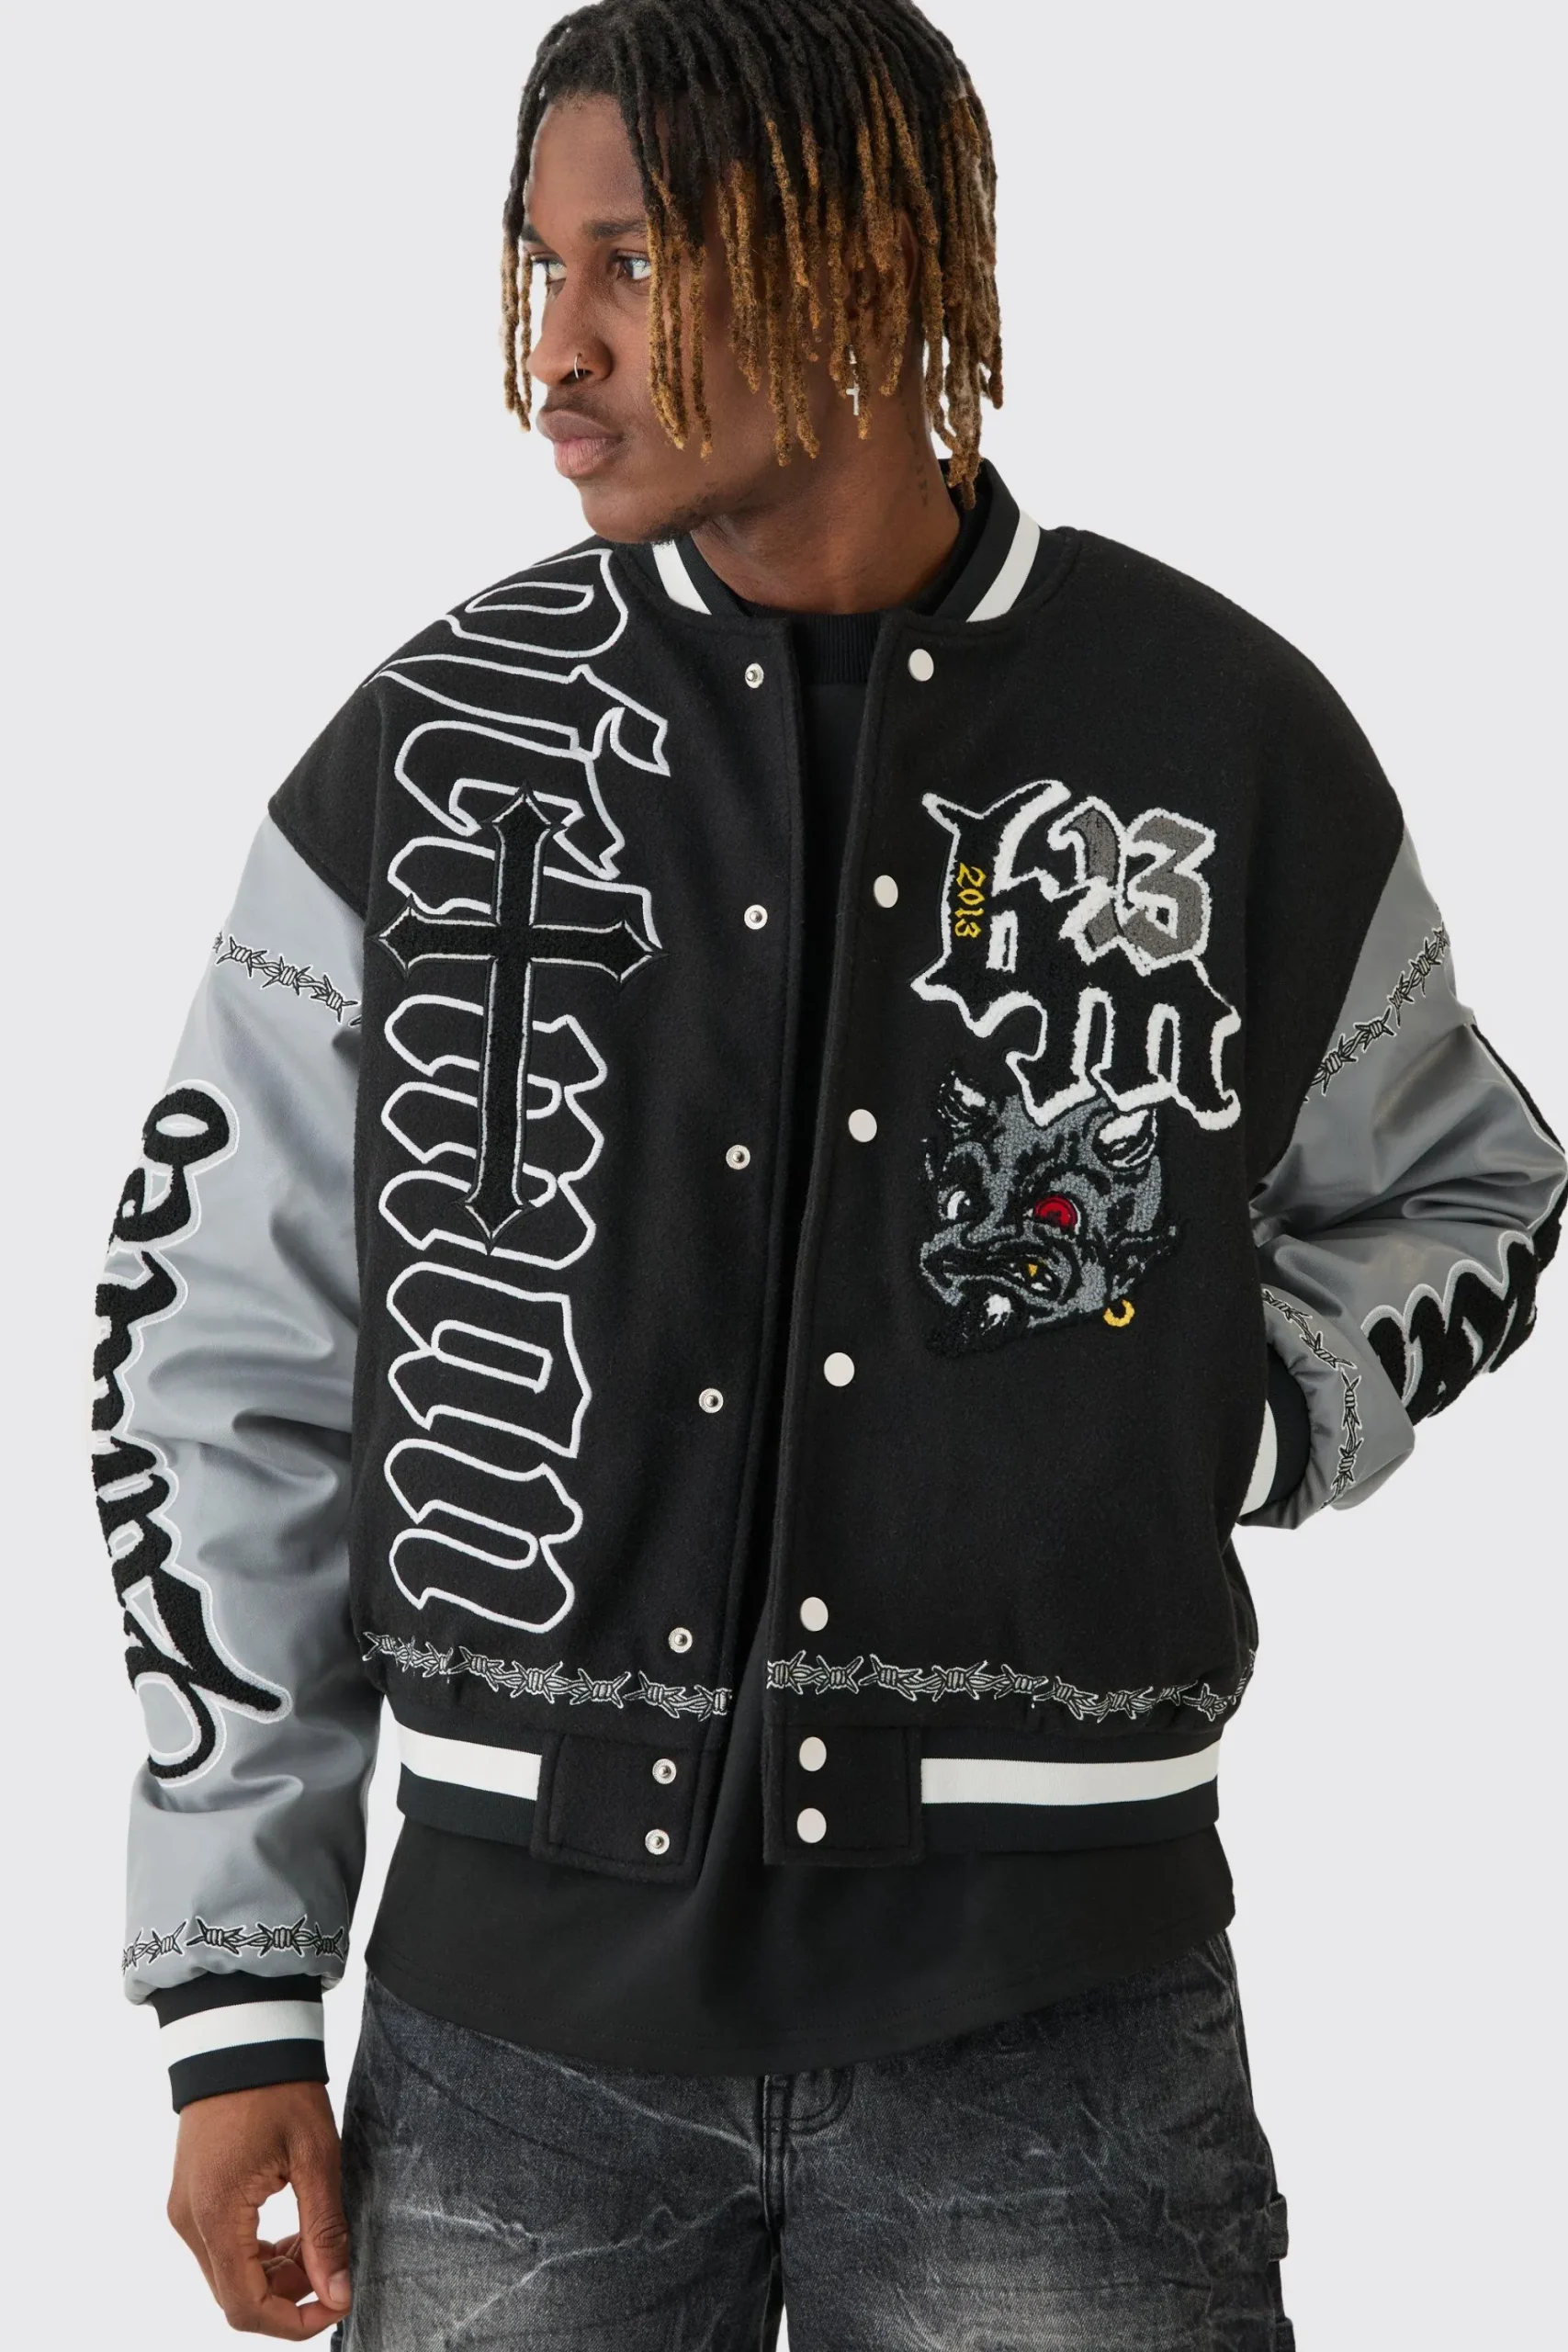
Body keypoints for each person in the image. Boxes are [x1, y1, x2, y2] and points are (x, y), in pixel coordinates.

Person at [94, 2, 1563, 2344]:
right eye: (541, 265)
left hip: (1056, 2026)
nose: (555, 353)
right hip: (508, 2046)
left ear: (860, 263)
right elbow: (225, 1354)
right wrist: (237, 1988)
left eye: (634, 265)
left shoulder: (1217, 740)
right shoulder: (441, 751)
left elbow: (1468, 1185)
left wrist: (1232, 1416)